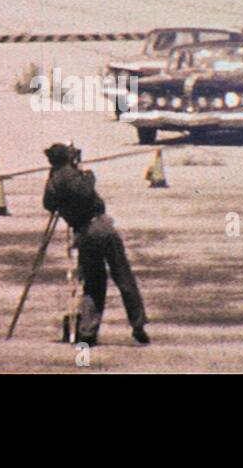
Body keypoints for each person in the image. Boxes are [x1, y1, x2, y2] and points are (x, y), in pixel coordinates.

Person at [43, 143, 149, 346]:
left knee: (93, 283)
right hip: (99, 226)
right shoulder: (72, 175)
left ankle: (88, 330)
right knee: (123, 275)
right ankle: (138, 323)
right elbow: (84, 192)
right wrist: (87, 175)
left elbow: (48, 204)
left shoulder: (54, 180)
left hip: (83, 233)